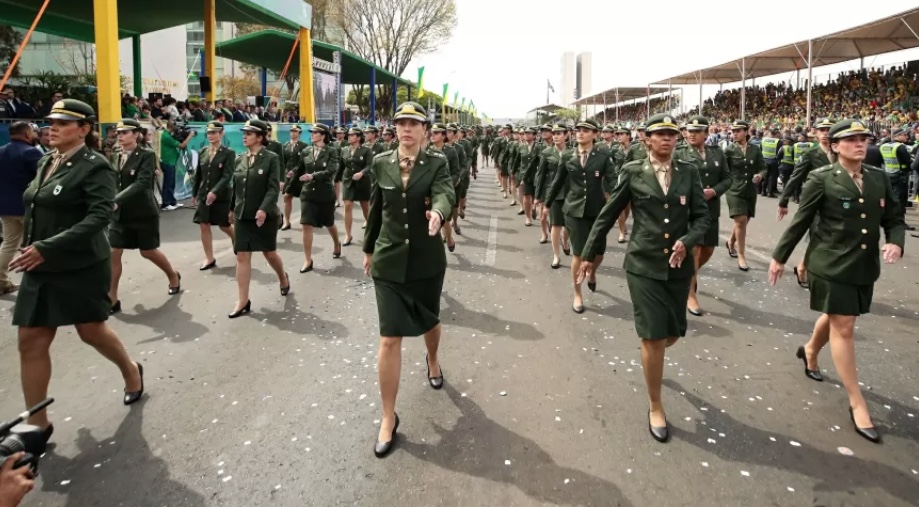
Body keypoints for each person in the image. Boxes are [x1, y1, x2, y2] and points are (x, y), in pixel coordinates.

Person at [11, 99, 145, 441]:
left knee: (91, 331)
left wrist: (47, 246)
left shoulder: (95, 166)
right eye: (51, 121)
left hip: (79, 264)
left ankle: (131, 371)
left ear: (84, 129)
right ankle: (37, 425)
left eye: (62, 123)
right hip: (40, 263)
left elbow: (100, 217)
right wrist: (34, 246)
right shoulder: (46, 161)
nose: (51, 127)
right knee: (30, 340)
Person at [769, 119, 905, 443]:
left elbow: (894, 217)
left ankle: (810, 349)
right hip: (829, 263)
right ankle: (857, 402)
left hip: (863, 265)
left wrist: (896, 241)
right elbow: (801, 222)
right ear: (835, 145)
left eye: (863, 139)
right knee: (844, 325)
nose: (860, 144)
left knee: (834, 317)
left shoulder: (878, 178)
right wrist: (779, 258)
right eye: (852, 139)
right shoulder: (821, 179)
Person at [578, 113, 710, 443]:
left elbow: (702, 218)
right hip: (643, 264)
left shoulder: (689, 172)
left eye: (671, 134)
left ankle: (656, 352)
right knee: (652, 336)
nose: (667, 138)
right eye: (659, 133)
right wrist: (588, 257)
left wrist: (688, 241)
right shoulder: (632, 171)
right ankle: (655, 404)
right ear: (647, 139)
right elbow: (608, 216)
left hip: (679, 268)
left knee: (673, 333)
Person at [363, 102, 456, 458]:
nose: (406, 129)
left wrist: (440, 212)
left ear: (424, 130)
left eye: (413, 124)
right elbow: (377, 208)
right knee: (389, 338)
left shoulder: (437, 163)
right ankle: (388, 417)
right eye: (401, 123)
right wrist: (369, 248)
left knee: (430, 320)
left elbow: (446, 192)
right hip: (388, 261)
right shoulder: (380, 163)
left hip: (425, 260)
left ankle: (432, 359)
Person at [108, 119, 182, 312]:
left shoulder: (146, 155)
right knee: (113, 252)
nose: (120, 136)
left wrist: (117, 199)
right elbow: (112, 180)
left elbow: (141, 183)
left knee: (147, 251)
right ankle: (112, 297)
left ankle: (173, 275)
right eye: (119, 132)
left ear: (136, 134)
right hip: (119, 213)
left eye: (125, 132)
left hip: (142, 211)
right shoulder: (115, 154)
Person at [544, 119, 617, 314]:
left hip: (597, 210)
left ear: (595, 134)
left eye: (586, 130)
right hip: (574, 211)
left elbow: (613, 181)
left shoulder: (603, 156)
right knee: (578, 253)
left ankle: (592, 272)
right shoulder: (567, 155)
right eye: (578, 130)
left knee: (599, 252)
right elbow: (558, 181)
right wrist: (547, 203)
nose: (580, 133)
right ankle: (577, 293)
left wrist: (616, 203)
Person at [228, 119, 289, 318]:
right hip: (243, 215)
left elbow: (273, 189)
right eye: (244, 133)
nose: (244, 136)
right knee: (242, 256)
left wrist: (263, 209)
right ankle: (243, 300)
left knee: (269, 253)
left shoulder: (271, 158)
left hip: (265, 215)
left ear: (260, 137)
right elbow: (235, 188)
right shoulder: (239, 159)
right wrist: (231, 209)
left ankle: (282, 277)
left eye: (249, 133)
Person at [677, 116, 732, 316]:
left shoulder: (717, 153)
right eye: (689, 131)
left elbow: (727, 178)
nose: (691, 134)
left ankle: (687, 275)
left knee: (708, 249)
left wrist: (715, 191)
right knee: (696, 249)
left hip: (711, 208)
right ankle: (690, 293)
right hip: (688, 210)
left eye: (697, 131)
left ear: (706, 133)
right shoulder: (679, 152)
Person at [0, 121, 43, 294]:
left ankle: (0, 280)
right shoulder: (31, 152)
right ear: (27, 134)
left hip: (5, 207)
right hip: (28, 207)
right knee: (36, 244)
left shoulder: (1, 151)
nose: (35, 135)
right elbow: (45, 177)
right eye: (33, 132)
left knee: (9, 244)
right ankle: (37, 284)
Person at [296, 123, 342, 272]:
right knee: (306, 224)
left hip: (325, 194)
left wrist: (313, 176)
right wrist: (288, 181)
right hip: (308, 194)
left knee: (329, 222)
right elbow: (299, 169)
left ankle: (336, 243)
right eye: (312, 132)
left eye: (316, 132)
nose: (312, 134)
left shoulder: (332, 151)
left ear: (323, 135)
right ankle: (307, 259)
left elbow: (330, 171)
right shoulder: (306, 151)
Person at [723, 120, 766, 271]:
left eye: (738, 131)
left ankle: (731, 241)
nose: (734, 133)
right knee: (740, 220)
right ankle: (741, 255)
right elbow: (724, 170)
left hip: (750, 190)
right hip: (734, 189)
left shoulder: (755, 149)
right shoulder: (729, 150)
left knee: (744, 221)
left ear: (746, 132)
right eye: (733, 131)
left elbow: (763, 167)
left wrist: (760, 175)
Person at [192, 121, 236, 270]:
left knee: (224, 224)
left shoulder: (228, 153)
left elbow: (227, 175)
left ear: (221, 134)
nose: (211, 135)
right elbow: (199, 174)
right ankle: (209, 258)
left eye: (214, 132)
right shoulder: (203, 151)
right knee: (204, 224)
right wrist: (194, 192)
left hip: (222, 195)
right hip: (205, 194)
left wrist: (215, 191)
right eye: (209, 133)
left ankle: (237, 240)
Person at [534, 123, 573, 268]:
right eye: (554, 133)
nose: (556, 136)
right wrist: (538, 196)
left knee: (568, 224)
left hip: (570, 192)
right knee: (556, 224)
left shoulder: (573, 153)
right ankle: (556, 256)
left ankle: (566, 240)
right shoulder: (546, 152)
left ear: (566, 135)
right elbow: (541, 175)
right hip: (553, 193)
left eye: (559, 133)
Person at [341, 127, 373, 246]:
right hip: (348, 180)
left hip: (363, 181)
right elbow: (340, 166)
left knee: (365, 207)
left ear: (359, 137)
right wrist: (334, 180)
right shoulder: (344, 150)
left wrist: (362, 173)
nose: (349, 136)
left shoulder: (366, 151)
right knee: (348, 206)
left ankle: (371, 232)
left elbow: (370, 165)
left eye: (352, 135)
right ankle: (348, 235)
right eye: (348, 134)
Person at [280, 125, 308, 230]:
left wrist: (295, 171)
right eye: (291, 131)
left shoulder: (304, 145)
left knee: (304, 198)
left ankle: (306, 218)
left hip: (300, 175)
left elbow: (303, 161)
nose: (293, 133)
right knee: (287, 197)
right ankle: (287, 221)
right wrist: (282, 177)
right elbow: (283, 162)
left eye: (295, 131)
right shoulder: (285, 145)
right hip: (288, 176)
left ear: (299, 133)